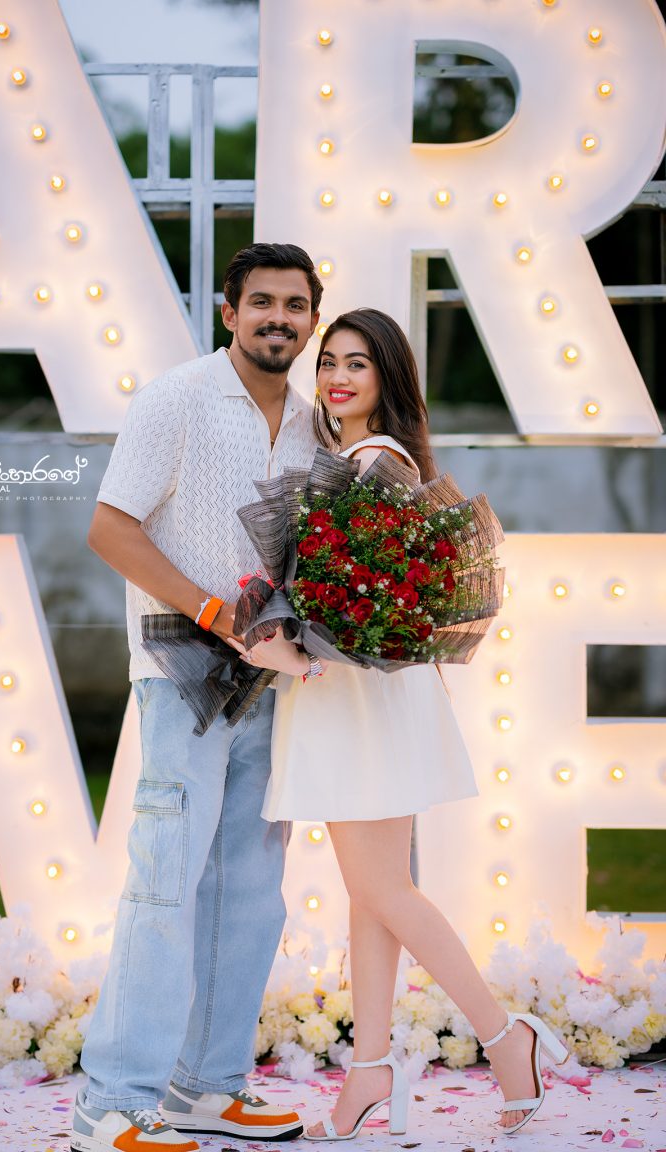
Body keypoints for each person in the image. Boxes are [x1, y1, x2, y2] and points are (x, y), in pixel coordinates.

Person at [234, 309, 568, 1141]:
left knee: (384, 890)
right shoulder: (354, 458)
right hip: (354, 695)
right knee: (371, 894)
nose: (337, 377)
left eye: (357, 363)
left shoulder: (375, 459)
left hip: (362, 701)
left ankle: (506, 1037)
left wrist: (281, 626)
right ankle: (370, 1069)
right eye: (329, 363)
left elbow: (360, 595)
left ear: (387, 376)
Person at [70, 243, 325, 1152]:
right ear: (228, 312)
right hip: (182, 674)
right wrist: (213, 612)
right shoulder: (175, 398)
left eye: (295, 306)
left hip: (272, 680)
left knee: (250, 889)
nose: (278, 319)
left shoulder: (313, 423)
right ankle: (110, 1102)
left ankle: (206, 1088)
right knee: (166, 883)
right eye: (262, 303)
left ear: (312, 319)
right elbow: (110, 528)